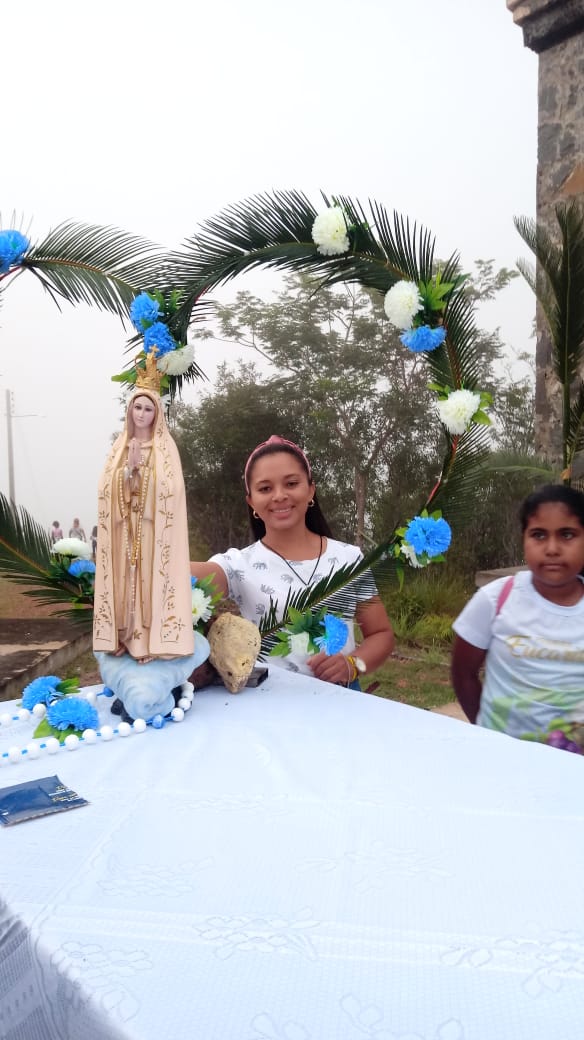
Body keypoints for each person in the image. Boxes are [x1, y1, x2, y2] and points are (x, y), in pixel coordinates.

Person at [190, 435, 394, 686]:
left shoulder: (349, 559)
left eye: (291, 483)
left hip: (341, 704)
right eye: (265, 488)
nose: (279, 495)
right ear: (252, 502)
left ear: (310, 490)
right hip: (270, 704)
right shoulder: (238, 565)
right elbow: (178, 574)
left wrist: (352, 665)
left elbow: (381, 634)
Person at [451, 484, 584, 752]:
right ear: (523, 539)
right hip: (502, 759)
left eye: (567, 535)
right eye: (538, 535)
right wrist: (486, 729)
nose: (552, 548)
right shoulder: (496, 599)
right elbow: (462, 673)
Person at [93, 383, 195, 665]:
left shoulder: (165, 448)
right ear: (129, 410)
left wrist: (144, 472)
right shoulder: (120, 448)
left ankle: (148, 642)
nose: (141, 413)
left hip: (152, 529)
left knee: (149, 579)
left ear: (157, 414)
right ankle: (122, 635)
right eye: (137, 407)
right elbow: (105, 489)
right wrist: (128, 471)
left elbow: (173, 489)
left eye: (148, 408)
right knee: (125, 580)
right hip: (124, 528)